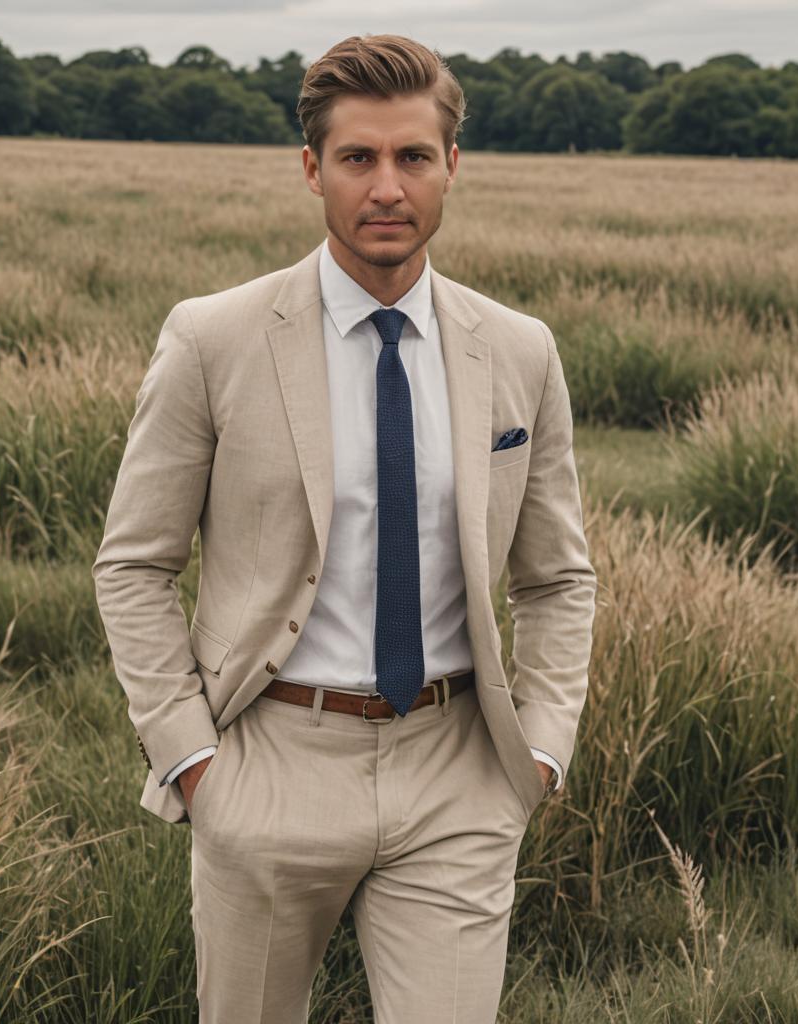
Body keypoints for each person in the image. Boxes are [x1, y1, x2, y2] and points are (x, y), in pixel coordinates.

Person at [92, 32, 596, 1024]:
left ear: (451, 166)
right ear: (312, 168)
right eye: (358, 158)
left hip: (460, 771)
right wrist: (193, 760)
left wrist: (539, 748)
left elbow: (557, 578)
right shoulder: (214, 336)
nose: (386, 187)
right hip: (270, 761)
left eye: (412, 156)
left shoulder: (520, 350)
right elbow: (134, 564)